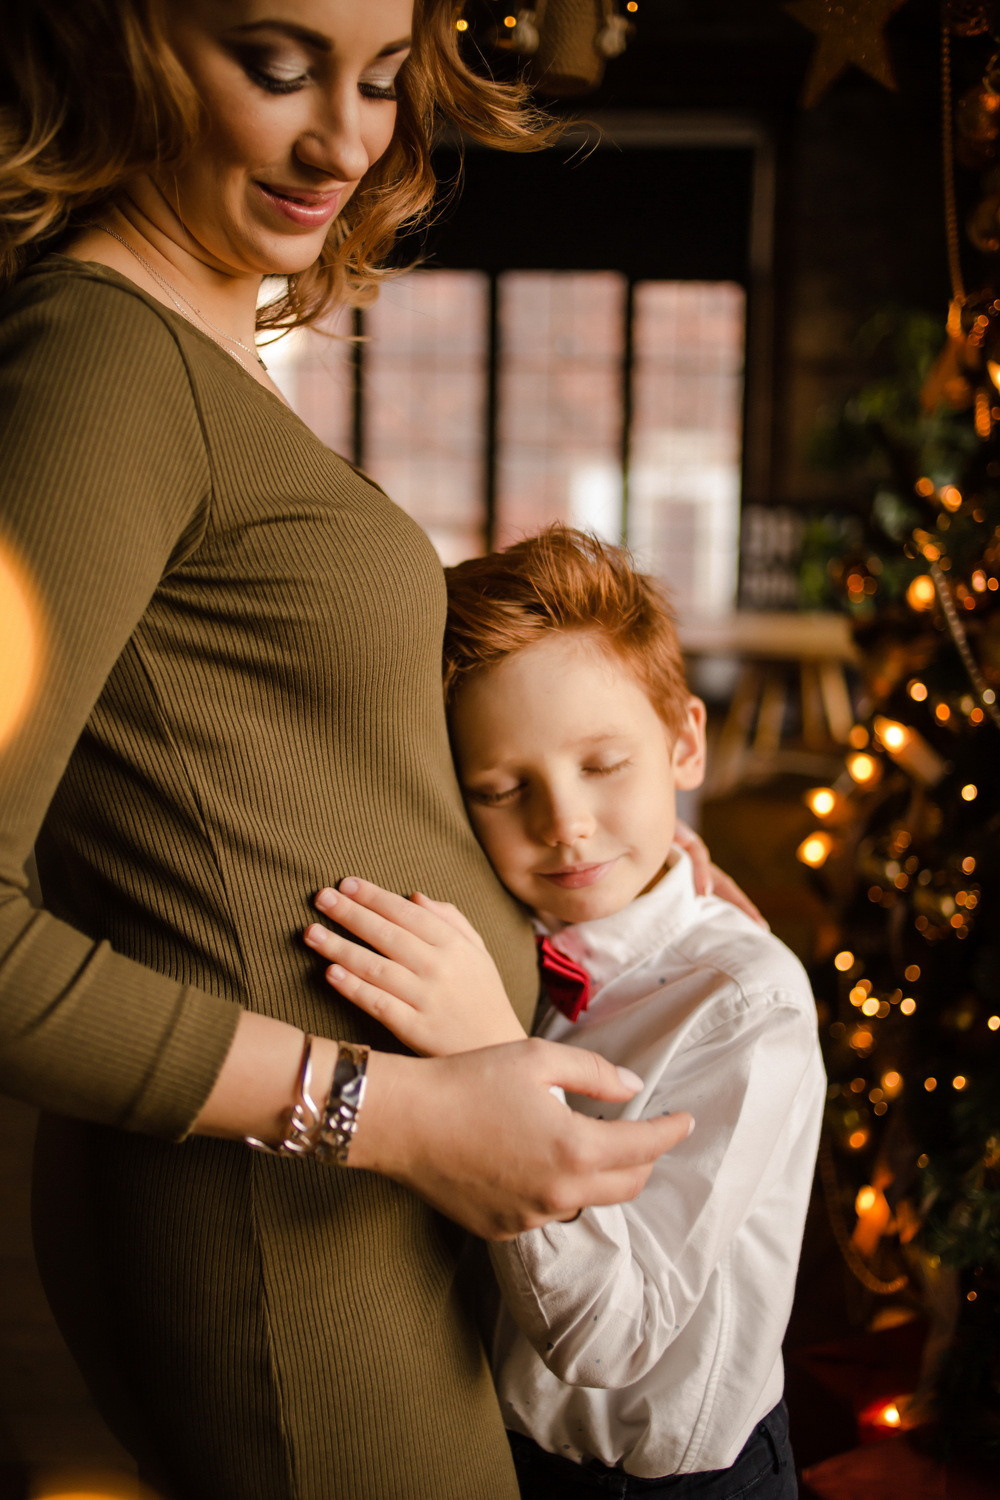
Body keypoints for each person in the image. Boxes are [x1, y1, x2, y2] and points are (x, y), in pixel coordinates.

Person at [0, 8, 699, 1499]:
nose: (346, 140)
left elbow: (303, 754)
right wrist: (391, 1111)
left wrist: (628, 879)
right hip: (288, 1232)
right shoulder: (98, 360)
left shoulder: (202, 345)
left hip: (355, 1209)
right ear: (120, 42)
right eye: (276, 66)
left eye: (380, 80)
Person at [304, 528, 827, 1499]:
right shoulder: (504, 930)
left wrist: (489, 1054)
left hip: (675, 1483)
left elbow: (616, 1340)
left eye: (605, 765)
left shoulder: (743, 1002)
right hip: (502, 1448)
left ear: (684, 744)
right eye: (503, 790)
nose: (565, 824)